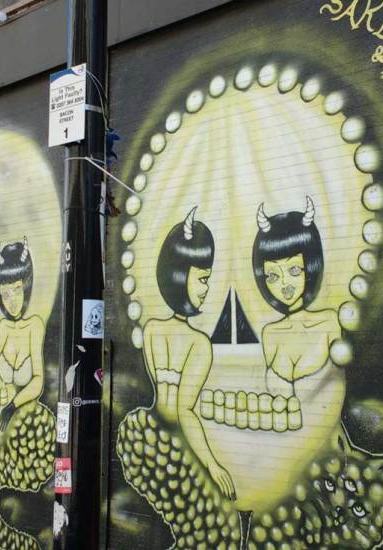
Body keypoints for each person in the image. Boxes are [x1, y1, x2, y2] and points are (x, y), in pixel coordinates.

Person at [117, 208, 241, 549]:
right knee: (214, 528)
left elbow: (160, 391)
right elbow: (184, 411)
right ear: (179, 275)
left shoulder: (152, 330)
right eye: (202, 278)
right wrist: (213, 465)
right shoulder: (199, 344)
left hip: (142, 433)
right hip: (170, 446)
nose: (206, 288)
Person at [0, 237, 55, 549]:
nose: (11, 300)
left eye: (17, 290)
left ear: (27, 287)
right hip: (9, 431)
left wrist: (12, 404)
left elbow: (37, 381)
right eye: (5, 293)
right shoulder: (3, 328)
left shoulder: (34, 325)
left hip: (33, 428)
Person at [252, 197, 341, 397]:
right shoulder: (269, 334)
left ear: (310, 266)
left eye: (293, 270)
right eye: (273, 276)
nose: (284, 284)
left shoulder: (330, 322)